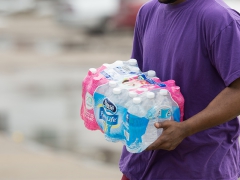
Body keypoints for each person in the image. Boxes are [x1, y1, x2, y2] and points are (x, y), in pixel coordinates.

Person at [119, 0, 240, 179]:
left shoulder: (219, 18)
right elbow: (138, 80)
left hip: (198, 167)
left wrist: (185, 128)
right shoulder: (148, 12)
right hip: (141, 164)